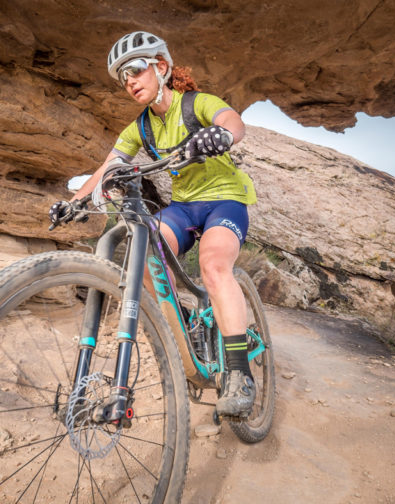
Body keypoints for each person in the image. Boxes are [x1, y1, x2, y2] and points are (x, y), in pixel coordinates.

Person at [50, 31, 257, 417]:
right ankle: (184, 318)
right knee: (142, 253)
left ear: (160, 67)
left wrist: (222, 134)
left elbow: (233, 121)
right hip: (184, 207)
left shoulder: (196, 104)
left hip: (225, 199)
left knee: (214, 266)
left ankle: (239, 374)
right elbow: (109, 164)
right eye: (122, 77)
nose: (129, 81)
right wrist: (74, 203)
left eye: (135, 70)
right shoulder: (140, 127)